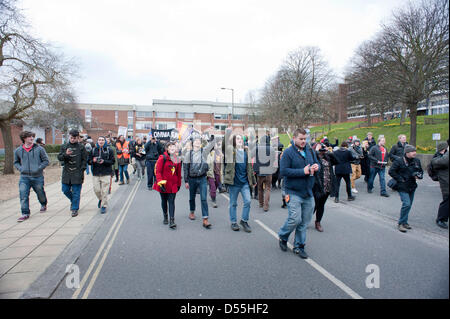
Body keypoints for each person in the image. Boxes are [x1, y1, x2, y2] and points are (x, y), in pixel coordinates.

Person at [278, 128, 320, 259]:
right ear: (294, 138)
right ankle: (283, 236)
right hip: (293, 191)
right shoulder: (288, 153)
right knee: (295, 219)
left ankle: (299, 246)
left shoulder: (309, 150)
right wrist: (303, 171)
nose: (303, 141)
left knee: (304, 222)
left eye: (305, 138)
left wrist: (316, 166)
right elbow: (283, 171)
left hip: (308, 192)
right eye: (301, 139)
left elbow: (316, 162)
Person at [223, 130, 256, 232]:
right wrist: (228, 133)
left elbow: (249, 168)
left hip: (244, 183)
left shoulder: (246, 152)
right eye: (237, 138)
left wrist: (253, 180)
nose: (240, 140)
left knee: (248, 201)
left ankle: (244, 221)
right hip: (234, 183)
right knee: (233, 203)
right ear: (234, 141)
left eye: (241, 138)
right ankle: (233, 222)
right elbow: (224, 147)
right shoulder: (231, 151)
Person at [14, 131, 49, 222]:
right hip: (24, 177)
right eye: (30, 137)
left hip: (37, 176)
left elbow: (46, 161)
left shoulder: (39, 149)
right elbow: (16, 162)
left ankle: (43, 203)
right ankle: (25, 213)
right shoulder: (18, 150)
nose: (32, 138)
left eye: (33, 137)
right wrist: (21, 168)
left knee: (40, 192)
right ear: (24, 138)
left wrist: (38, 168)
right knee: (23, 194)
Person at [388, 145, 423, 232]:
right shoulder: (399, 161)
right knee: (406, 204)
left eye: (415, 151)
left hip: (412, 186)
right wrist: (400, 179)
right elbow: (391, 171)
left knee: (409, 205)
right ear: (407, 153)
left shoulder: (417, 161)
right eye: (412, 151)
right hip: (402, 186)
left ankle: (405, 222)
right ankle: (400, 223)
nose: (414, 153)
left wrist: (419, 175)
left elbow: (420, 171)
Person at [184, 137, 213, 229]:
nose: (197, 142)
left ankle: (205, 219)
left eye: (199, 141)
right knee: (192, 197)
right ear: (192, 143)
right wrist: (186, 180)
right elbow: (185, 168)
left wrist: (210, 137)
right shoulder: (188, 154)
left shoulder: (204, 152)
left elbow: (211, 145)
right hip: (191, 179)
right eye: (196, 141)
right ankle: (192, 211)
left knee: (203, 198)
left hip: (202, 178)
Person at [58, 129, 88, 217]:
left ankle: (75, 208)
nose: (72, 139)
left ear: (78, 138)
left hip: (77, 172)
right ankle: (73, 200)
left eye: (74, 138)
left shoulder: (81, 147)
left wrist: (82, 169)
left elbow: (84, 159)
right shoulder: (64, 146)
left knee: (76, 192)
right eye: (71, 138)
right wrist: (66, 154)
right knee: (65, 189)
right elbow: (60, 157)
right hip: (67, 172)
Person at [154, 141, 182, 229]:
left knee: (172, 202)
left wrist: (179, 184)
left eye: (174, 147)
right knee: (164, 201)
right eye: (170, 147)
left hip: (173, 185)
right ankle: (165, 216)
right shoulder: (162, 158)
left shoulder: (177, 159)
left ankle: (172, 220)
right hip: (163, 184)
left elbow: (178, 173)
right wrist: (160, 182)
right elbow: (158, 172)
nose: (172, 149)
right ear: (167, 149)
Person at [313, 143, 338, 232]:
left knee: (321, 205)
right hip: (317, 185)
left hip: (327, 185)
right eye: (321, 149)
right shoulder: (314, 158)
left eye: (323, 149)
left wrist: (329, 152)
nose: (322, 151)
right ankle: (305, 220)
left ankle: (318, 222)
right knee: (314, 205)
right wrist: (316, 150)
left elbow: (337, 161)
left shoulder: (327, 157)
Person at [88, 136, 115, 214]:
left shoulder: (109, 150)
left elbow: (112, 161)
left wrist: (104, 161)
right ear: (97, 141)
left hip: (106, 173)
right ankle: (101, 199)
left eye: (102, 140)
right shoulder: (93, 150)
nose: (101, 141)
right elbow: (88, 161)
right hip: (96, 173)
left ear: (105, 142)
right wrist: (93, 161)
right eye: (99, 140)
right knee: (96, 190)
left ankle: (104, 206)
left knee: (105, 191)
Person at [253, 135, 277, 212]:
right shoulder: (271, 149)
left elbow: (251, 155)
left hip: (259, 171)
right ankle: (266, 206)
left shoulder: (257, 147)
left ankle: (261, 203)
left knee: (260, 188)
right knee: (268, 188)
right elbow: (273, 159)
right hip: (268, 171)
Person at [431, 141, 449, 229]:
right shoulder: (438, 157)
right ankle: (441, 219)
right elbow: (443, 162)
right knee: (447, 200)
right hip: (446, 182)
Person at [207, 140, 223, 208]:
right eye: (215, 145)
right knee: (213, 187)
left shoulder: (220, 153)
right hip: (211, 172)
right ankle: (214, 201)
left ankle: (211, 192)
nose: (217, 146)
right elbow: (208, 163)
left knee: (216, 185)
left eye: (217, 145)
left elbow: (221, 164)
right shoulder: (209, 153)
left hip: (218, 172)